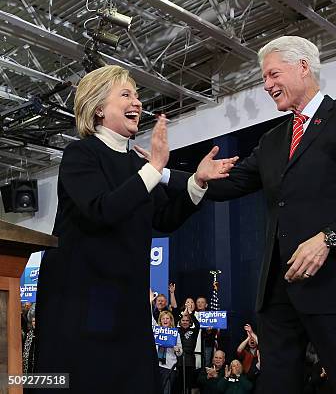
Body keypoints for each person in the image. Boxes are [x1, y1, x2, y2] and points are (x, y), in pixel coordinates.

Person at [205, 36, 336, 394]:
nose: (267, 85)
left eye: (273, 74)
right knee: (276, 384)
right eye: (264, 78)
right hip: (278, 290)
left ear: (303, 66)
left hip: (333, 284)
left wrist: (329, 238)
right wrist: (167, 173)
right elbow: (230, 183)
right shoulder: (273, 140)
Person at [34, 65, 238, 393]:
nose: (137, 102)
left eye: (138, 95)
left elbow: (165, 218)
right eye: (126, 94)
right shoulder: (80, 154)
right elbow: (101, 209)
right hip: (82, 300)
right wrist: (155, 167)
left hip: (126, 300)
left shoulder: (138, 166)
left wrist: (197, 182)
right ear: (98, 107)